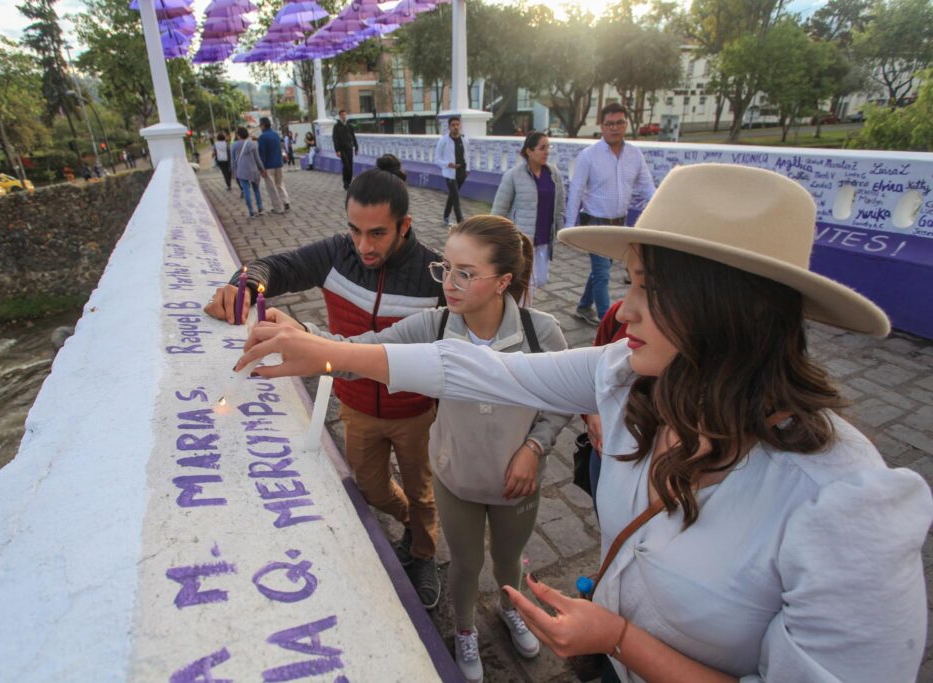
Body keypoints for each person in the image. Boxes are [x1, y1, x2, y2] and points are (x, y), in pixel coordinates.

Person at [237, 164, 932, 683]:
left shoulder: (849, 504)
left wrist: (621, 637)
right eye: (627, 281)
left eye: (647, 289)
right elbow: (478, 368)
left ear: (730, 309)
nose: (621, 310)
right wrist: (324, 350)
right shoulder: (628, 376)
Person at [267, 216, 570, 683]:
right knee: (466, 563)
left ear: (503, 282)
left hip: (517, 480)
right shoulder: (435, 325)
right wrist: (303, 335)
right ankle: (466, 629)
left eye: (464, 273)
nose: (448, 283)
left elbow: (561, 401)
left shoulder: (540, 334)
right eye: (444, 268)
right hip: (456, 475)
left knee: (509, 560)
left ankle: (514, 607)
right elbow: (358, 353)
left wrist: (535, 446)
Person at [205, 158, 447, 610]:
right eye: (355, 230)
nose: (363, 245)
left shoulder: (434, 273)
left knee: (421, 487)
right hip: (353, 402)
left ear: (404, 225)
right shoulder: (336, 253)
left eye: (377, 233)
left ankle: (424, 552)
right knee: (372, 486)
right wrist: (245, 283)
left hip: (414, 411)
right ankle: (414, 524)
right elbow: (273, 267)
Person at [567, 102, 655, 326]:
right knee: (603, 275)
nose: (614, 128)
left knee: (601, 270)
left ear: (626, 124)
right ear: (601, 126)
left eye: (619, 123)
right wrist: (568, 228)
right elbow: (576, 191)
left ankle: (584, 307)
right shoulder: (589, 156)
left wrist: (659, 212)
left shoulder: (634, 155)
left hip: (620, 225)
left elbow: (647, 188)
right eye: (609, 124)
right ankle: (611, 326)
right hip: (595, 224)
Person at [491, 132, 566, 301]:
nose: (546, 152)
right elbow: (499, 210)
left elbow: (560, 206)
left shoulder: (553, 174)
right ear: (529, 151)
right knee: (526, 283)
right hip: (523, 240)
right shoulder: (513, 175)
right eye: (542, 148)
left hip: (545, 238)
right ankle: (522, 316)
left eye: (548, 147)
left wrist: (560, 231)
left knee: (540, 280)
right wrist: (496, 238)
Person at [434, 116, 469, 226]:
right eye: (453, 125)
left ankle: (445, 217)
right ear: (449, 127)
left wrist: (468, 170)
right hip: (450, 173)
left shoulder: (464, 140)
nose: (455, 127)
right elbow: (437, 159)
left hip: (462, 173)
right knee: (456, 197)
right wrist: (447, 164)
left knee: (453, 196)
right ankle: (461, 222)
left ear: (460, 125)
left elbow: (467, 156)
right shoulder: (443, 141)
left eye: (457, 125)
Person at [231, 126, 265, 218]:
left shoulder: (234, 145)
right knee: (256, 190)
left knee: (246, 191)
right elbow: (257, 159)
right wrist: (262, 169)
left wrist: (234, 173)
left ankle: (251, 211)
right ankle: (260, 208)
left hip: (241, 171)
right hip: (254, 170)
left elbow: (233, 161)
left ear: (238, 135)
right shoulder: (253, 144)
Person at [257, 117, 290, 213]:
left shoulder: (262, 137)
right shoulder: (276, 135)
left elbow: (262, 154)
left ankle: (278, 208)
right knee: (280, 184)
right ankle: (286, 201)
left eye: (260, 125)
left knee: (272, 188)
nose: (259, 127)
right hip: (278, 164)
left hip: (268, 166)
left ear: (263, 125)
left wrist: (262, 169)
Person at [332, 109, 358, 190]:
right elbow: (335, 139)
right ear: (340, 116)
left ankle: (349, 182)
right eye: (342, 115)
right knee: (346, 165)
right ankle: (345, 182)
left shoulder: (349, 125)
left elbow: (353, 137)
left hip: (349, 148)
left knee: (350, 166)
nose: (343, 116)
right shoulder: (336, 126)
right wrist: (337, 150)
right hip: (342, 149)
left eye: (345, 115)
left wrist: (356, 147)